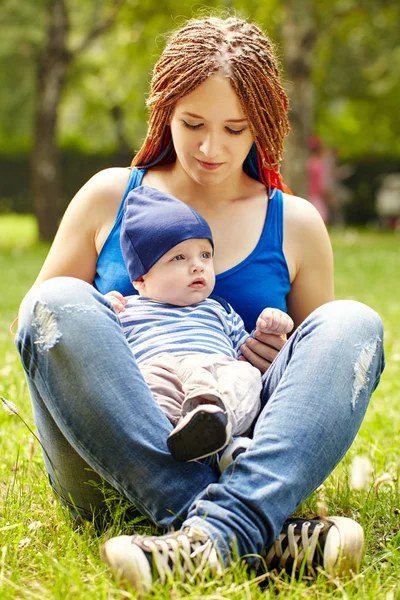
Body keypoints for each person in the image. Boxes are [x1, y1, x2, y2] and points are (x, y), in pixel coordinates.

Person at [15, 15, 384, 595]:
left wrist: (277, 353)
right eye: (193, 124)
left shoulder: (297, 224)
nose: (212, 148)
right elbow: (40, 337)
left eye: (236, 130)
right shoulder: (110, 196)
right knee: (54, 300)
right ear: (165, 110)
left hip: (242, 452)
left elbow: (315, 384)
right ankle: (249, 529)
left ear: (262, 126)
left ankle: (203, 540)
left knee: (352, 324)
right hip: (110, 468)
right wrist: (112, 332)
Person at [107, 185, 293, 464]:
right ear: (140, 280)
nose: (198, 266)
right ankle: (197, 446)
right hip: (159, 373)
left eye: (205, 255)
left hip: (217, 372)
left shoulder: (219, 310)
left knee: (245, 376)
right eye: (179, 257)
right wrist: (101, 309)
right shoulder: (126, 310)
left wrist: (273, 326)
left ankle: (218, 430)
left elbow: (249, 350)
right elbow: (94, 347)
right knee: (142, 392)